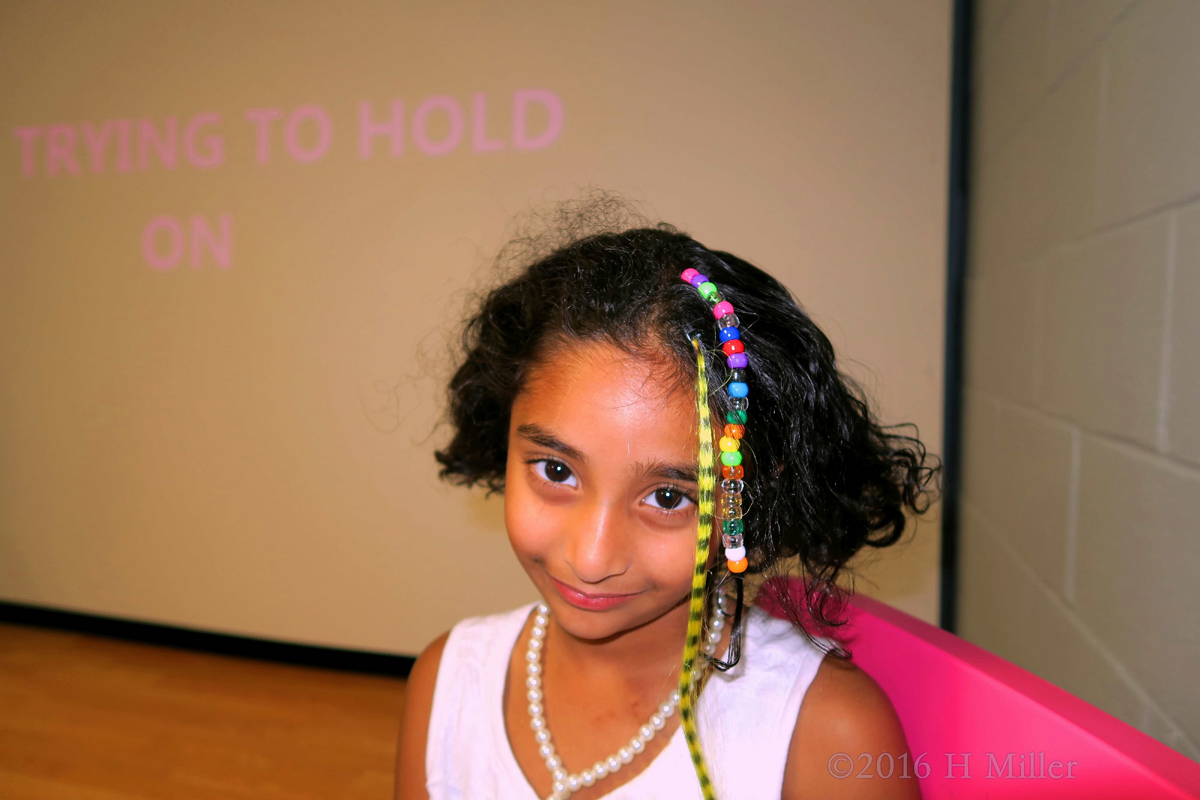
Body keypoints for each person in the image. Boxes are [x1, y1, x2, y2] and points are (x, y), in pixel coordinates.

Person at [394, 213, 938, 800]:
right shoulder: (448, 683)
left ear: (748, 498)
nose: (592, 556)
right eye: (556, 471)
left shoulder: (828, 736)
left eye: (669, 497)